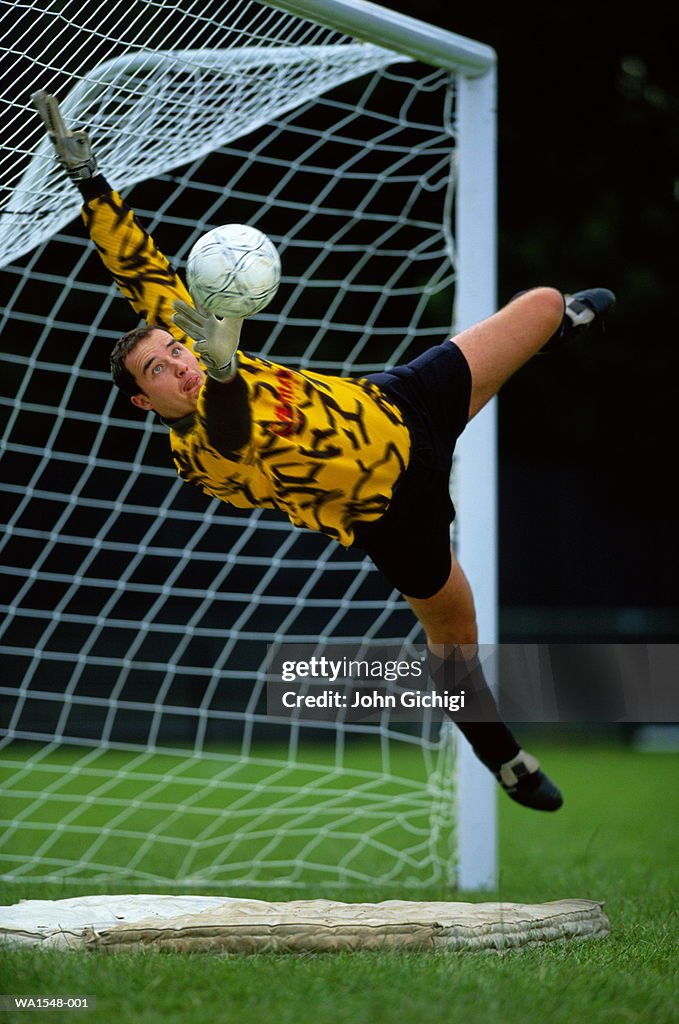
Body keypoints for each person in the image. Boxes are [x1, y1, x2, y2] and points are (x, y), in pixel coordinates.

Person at [32, 90, 616, 813]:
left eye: (176, 349)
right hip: (393, 514)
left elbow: (135, 266)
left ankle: (557, 328)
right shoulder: (196, 453)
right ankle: (502, 756)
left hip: (399, 404)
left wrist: (88, 180)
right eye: (158, 370)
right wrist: (217, 373)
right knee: (456, 641)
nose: (177, 360)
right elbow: (232, 431)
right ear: (144, 403)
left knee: (543, 304)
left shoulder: (187, 336)